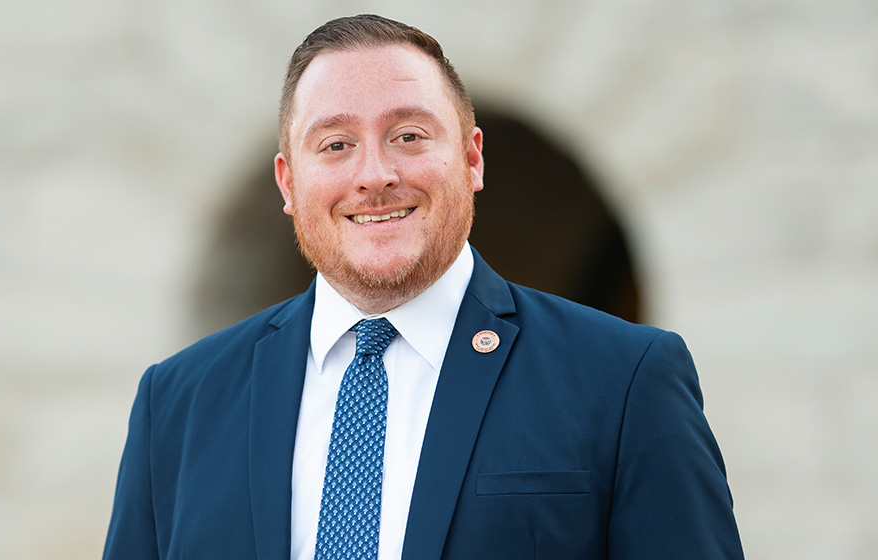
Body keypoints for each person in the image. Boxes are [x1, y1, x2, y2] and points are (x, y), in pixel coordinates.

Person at [103, 14, 744, 560]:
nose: (375, 175)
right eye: (335, 144)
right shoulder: (177, 404)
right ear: (288, 183)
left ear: (471, 159)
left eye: (409, 136)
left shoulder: (625, 380)